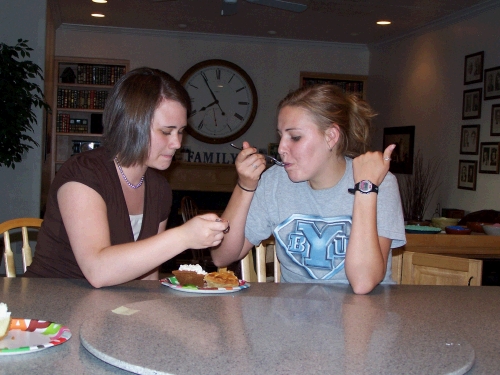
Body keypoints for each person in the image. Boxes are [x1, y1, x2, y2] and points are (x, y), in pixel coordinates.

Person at [25, 67, 229, 287]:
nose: (177, 143)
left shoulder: (159, 188)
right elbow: (98, 271)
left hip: (108, 309)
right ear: (132, 126)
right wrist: (183, 237)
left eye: (180, 131)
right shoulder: (84, 174)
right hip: (48, 306)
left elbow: (147, 279)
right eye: (166, 131)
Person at [211, 84, 406, 295]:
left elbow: (363, 283)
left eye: (294, 137)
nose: (281, 148)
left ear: (331, 136)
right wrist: (245, 186)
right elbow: (222, 256)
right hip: (293, 321)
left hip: (363, 320)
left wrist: (365, 188)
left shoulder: (379, 183)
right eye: (281, 136)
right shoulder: (274, 181)